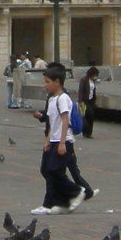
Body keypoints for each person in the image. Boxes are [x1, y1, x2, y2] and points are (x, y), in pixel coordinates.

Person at [33, 63, 81, 215]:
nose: (45, 85)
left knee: (54, 171)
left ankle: (76, 191)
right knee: (46, 170)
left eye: (47, 82)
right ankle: (51, 203)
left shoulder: (63, 98)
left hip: (63, 140)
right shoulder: (52, 99)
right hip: (53, 140)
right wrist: (47, 139)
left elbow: (65, 121)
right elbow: (52, 122)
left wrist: (62, 143)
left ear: (57, 82)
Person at [77, 66, 100, 139]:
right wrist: (80, 101)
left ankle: (88, 133)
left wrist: (94, 99)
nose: (95, 76)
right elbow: (80, 91)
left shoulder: (92, 81)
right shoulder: (84, 80)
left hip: (91, 100)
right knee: (89, 115)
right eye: (94, 75)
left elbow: (93, 90)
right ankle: (85, 132)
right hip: (85, 100)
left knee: (91, 117)